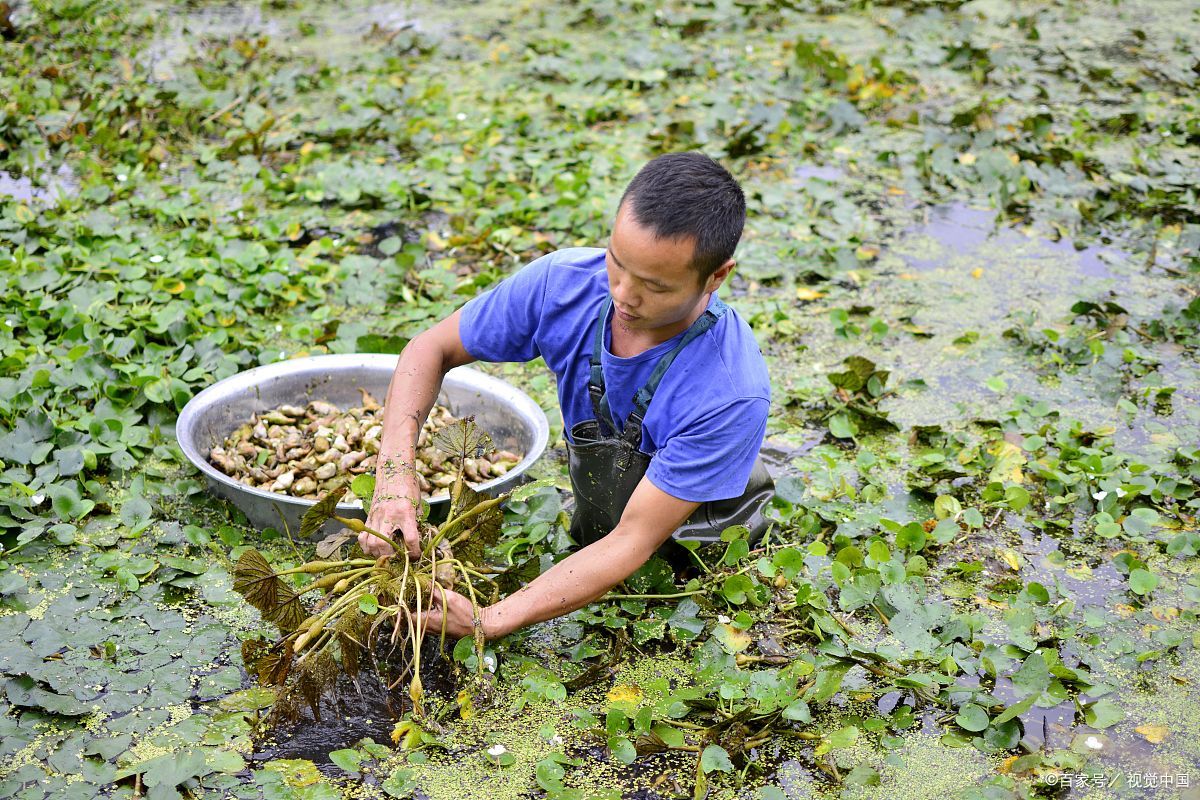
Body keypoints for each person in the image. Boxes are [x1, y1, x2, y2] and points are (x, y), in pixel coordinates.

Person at [360, 151, 773, 641]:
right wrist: (394, 476)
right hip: (601, 537)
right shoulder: (564, 286)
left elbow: (632, 540)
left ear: (716, 276)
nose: (623, 294)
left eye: (654, 287)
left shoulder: (729, 393)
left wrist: (491, 619)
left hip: (697, 567)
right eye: (617, 263)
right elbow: (430, 347)